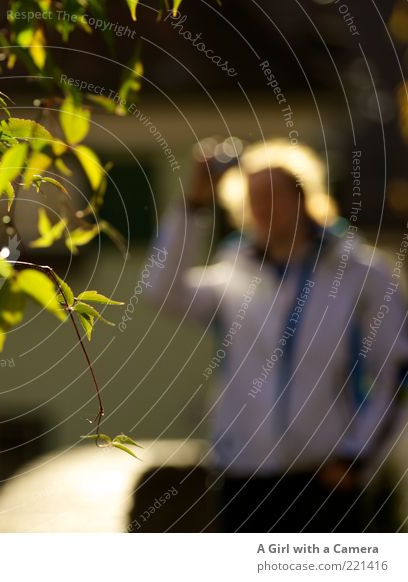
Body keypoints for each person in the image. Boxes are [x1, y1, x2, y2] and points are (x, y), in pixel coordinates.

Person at [146, 138, 408, 532]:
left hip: (326, 476)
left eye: (273, 194)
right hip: (242, 475)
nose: (263, 207)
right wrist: (194, 205)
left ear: (304, 197)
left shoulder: (361, 273)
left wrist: (357, 457)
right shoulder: (232, 274)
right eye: (253, 197)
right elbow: (160, 292)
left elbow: (396, 371)